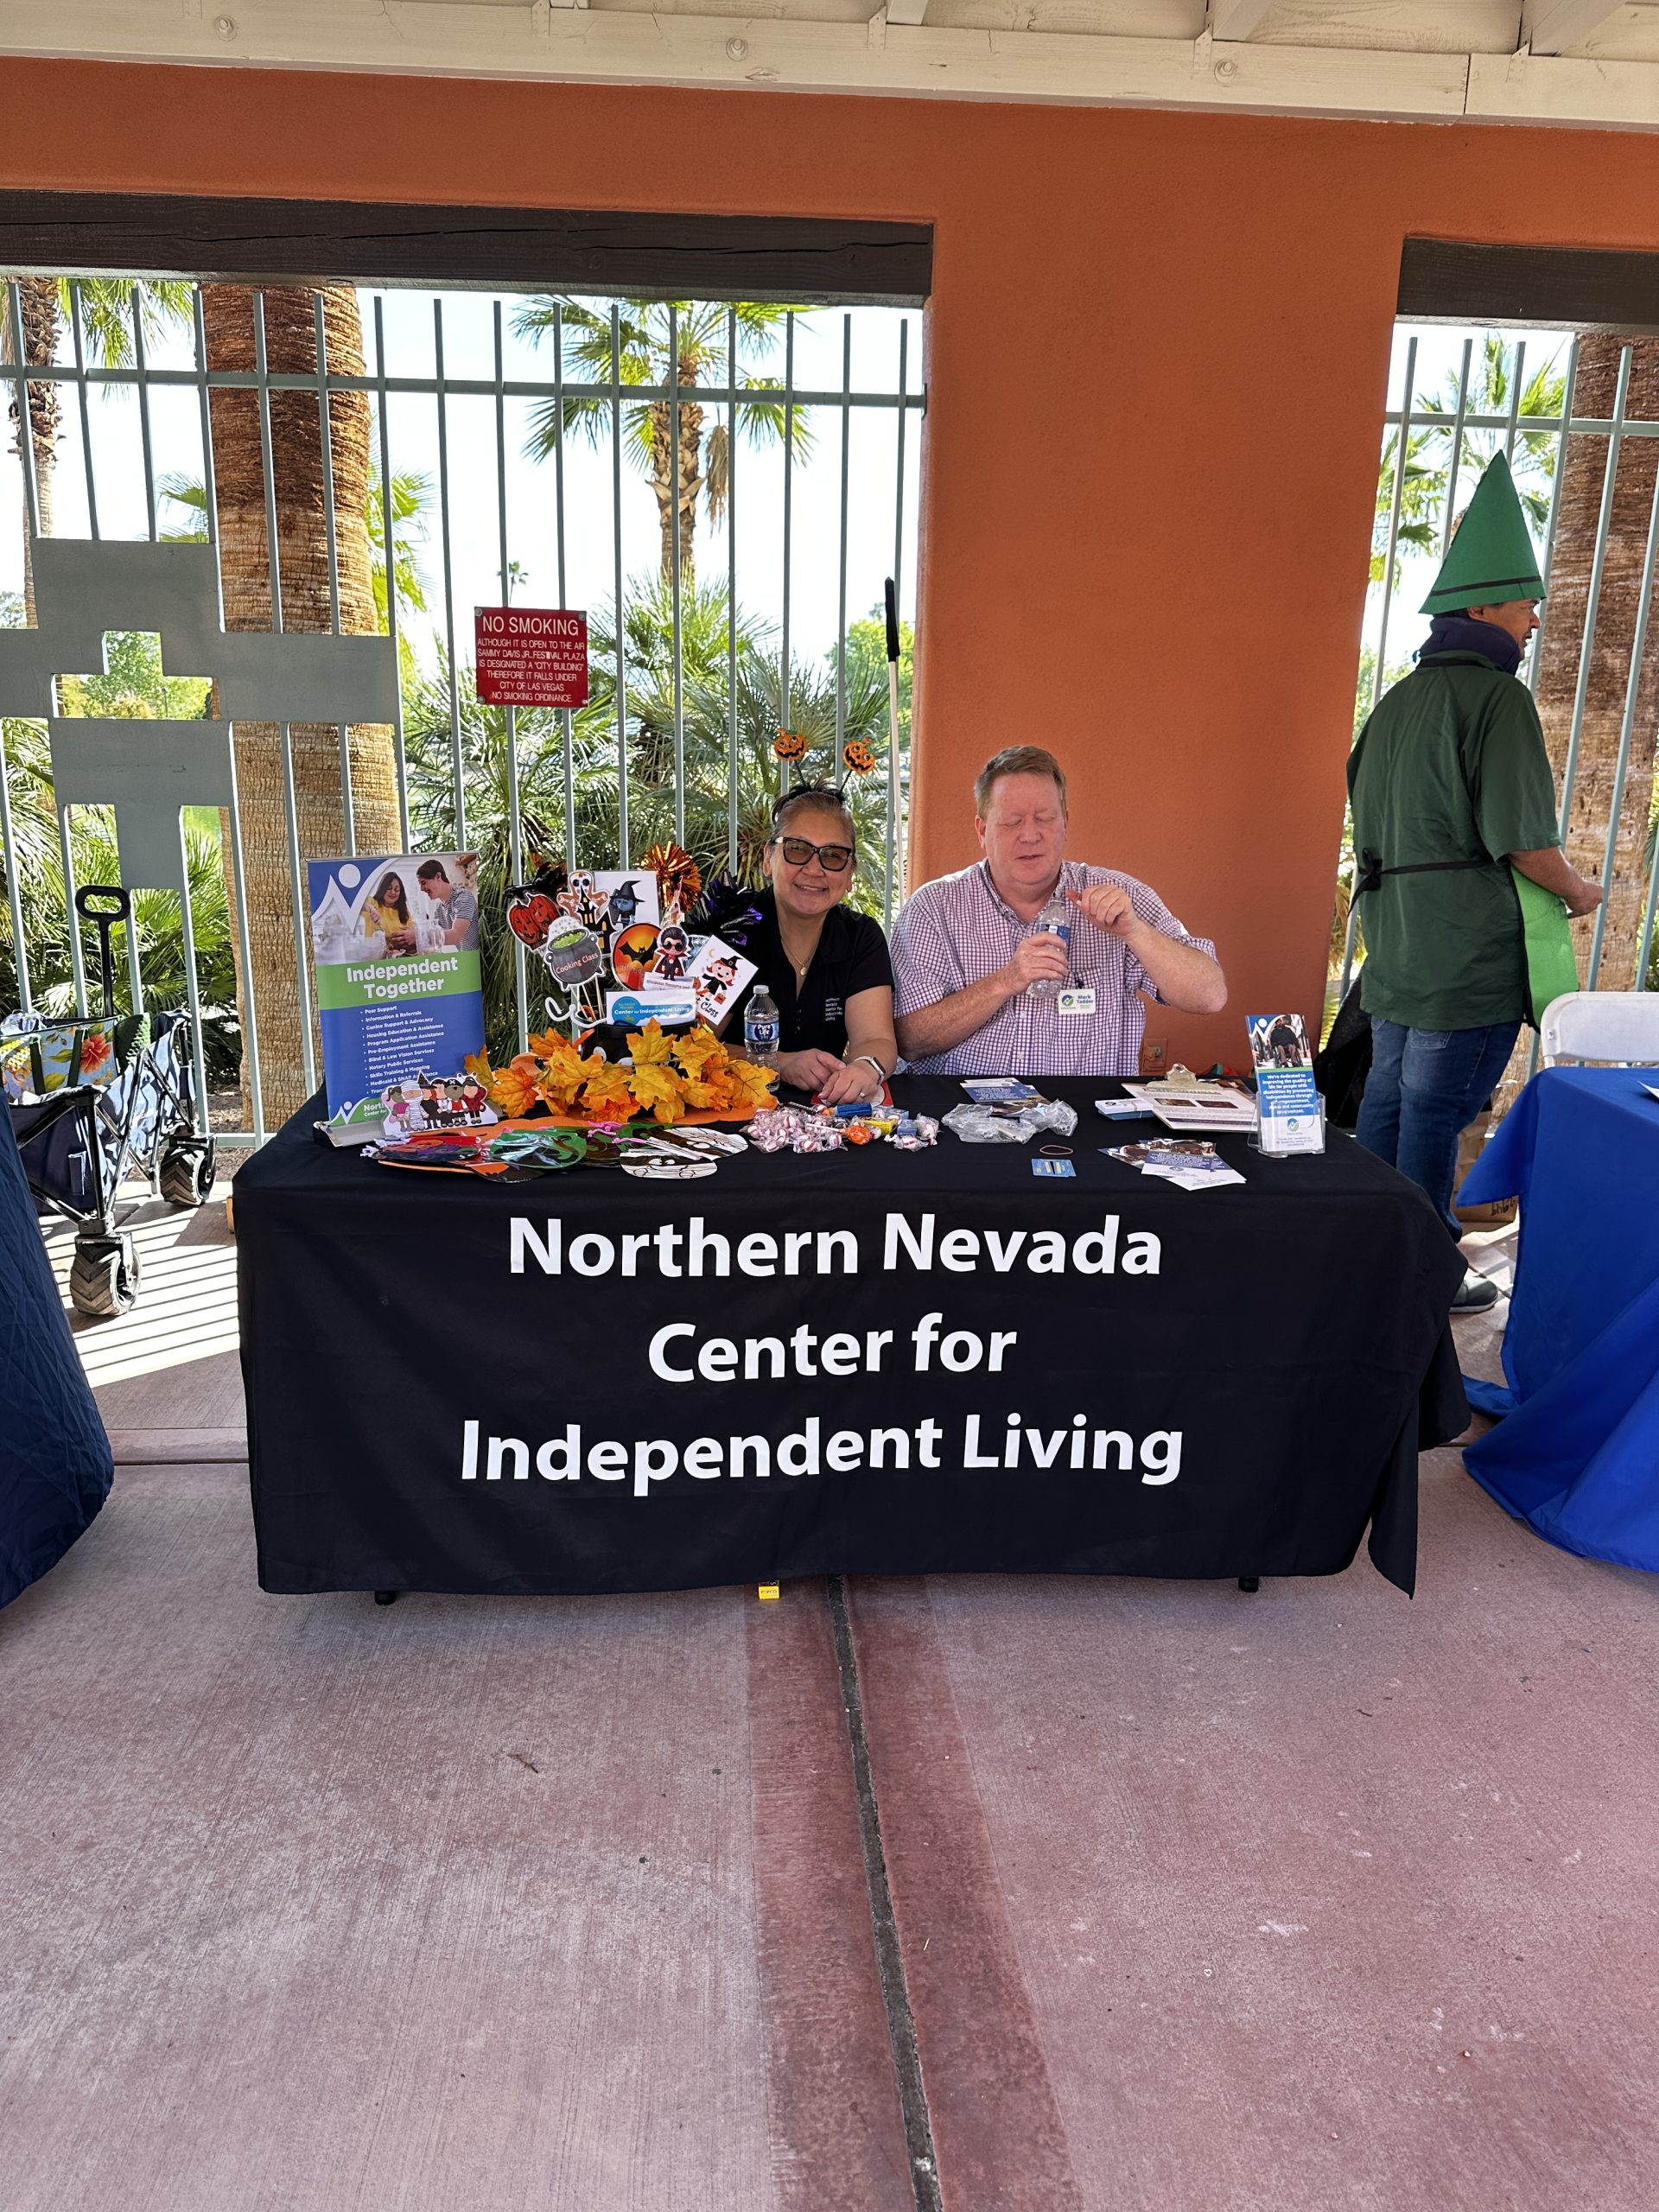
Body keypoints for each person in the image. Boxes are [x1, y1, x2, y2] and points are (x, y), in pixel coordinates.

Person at [1349, 452, 1603, 1313]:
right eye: (1527, 603)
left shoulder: (1394, 704)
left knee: (1387, 1105)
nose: (1533, 620)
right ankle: (1424, 1269)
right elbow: (1525, 843)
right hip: (1464, 960)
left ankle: (1370, 1254)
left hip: (1398, 950)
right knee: (1432, 1113)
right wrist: (1579, 891)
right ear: (1485, 607)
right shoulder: (1498, 702)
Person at [892, 745, 1225, 1077]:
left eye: (1045, 819)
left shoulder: (1120, 897)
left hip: (1087, 1107)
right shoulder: (934, 907)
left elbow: (1210, 996)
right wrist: (1005, 981)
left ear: (1065, 823)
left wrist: (1136, 932)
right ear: (982, 830)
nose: (1030, 835)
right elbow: (909, 1041)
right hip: (959, 1106)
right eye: (1011, 822)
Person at [728, 785, 898, 1104]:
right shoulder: (731, 928)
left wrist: (864, 1068)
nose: (814, 869)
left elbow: (875, 1038)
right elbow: (690, 1047)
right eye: (797, 849)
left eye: (833, 856)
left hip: (820, 1117)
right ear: (768, 858)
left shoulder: (861, 937)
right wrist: (777, 1063)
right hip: (724, 1110)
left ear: (849, 874)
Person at [416, 858, 479, 950]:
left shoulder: (463, 897)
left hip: (475, 957)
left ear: (438, 877)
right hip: (462, 957)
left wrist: (417, 936)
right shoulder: (439, 908)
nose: (421, 889)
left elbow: (455, 936)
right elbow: (437, 937)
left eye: (423, 883)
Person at [360, 869, 415, 955]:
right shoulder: (372, 902)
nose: (393, 892)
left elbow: (412, 936)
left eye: (397, 890)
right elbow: (356, 904)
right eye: (389, 888)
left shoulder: (404, 912)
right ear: (382, 889)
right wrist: (370, 908)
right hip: (372, 957)